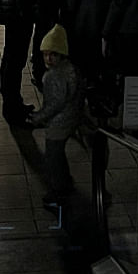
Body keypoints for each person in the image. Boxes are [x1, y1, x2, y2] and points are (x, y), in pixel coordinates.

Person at [30, 24, 83, 210]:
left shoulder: (54, 76)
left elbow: (55, 104)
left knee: (53, 157)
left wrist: (38, 118)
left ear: (62, 55)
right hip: (70, 119)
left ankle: (59, 191)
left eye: (53, 54)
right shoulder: (70, 70)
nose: (48, 58)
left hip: (58, 123)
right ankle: (66, 182)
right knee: (58, 155)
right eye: (45, 54)